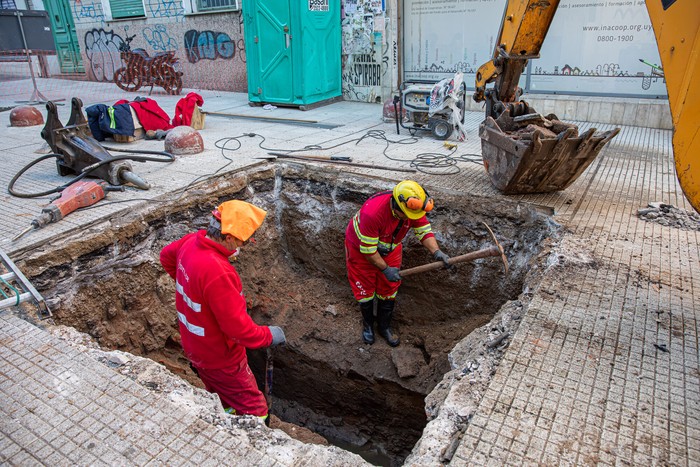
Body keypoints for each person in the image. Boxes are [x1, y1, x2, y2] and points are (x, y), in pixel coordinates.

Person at [159, 200, 286, 424]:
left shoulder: (190, 243)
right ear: (229, 237)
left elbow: (166, 257)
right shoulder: (218, 272)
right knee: (254, 406)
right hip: (221, 357)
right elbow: (238, 330)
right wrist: (268, 336)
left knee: (219, 393)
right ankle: (255, 442)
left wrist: (191, 288)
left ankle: (226, 419)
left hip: (195, 346)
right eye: (243, 242)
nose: (243, 247)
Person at [345, 180, 451, 347]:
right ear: (396, 206)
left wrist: (436, 252)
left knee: (389, 288)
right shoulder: (372, 213)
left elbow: (423, 231)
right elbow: (369, 252)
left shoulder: (413, 209)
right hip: (361, 250)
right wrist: (385, 269)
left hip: (390, 247)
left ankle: (384, 327)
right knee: (364, 289)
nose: (411, 219)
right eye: (407, 215)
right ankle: (368, 326)